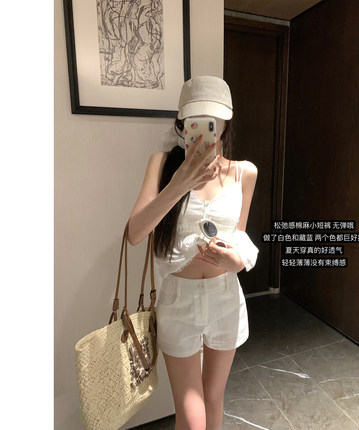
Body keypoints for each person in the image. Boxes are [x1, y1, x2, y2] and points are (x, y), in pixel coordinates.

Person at [127, 75, 259, 430]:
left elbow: (239, 234)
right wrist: (180, 183)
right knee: (191, 415)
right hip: (178, 300)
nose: (203, 129)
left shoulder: (244, 172)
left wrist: (238, 261)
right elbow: (135, 233)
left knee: (213, 399)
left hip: (225, 296)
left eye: (212, 121)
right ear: (182, 122)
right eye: (195, 120)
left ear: (225, 124)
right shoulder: (161, 163)